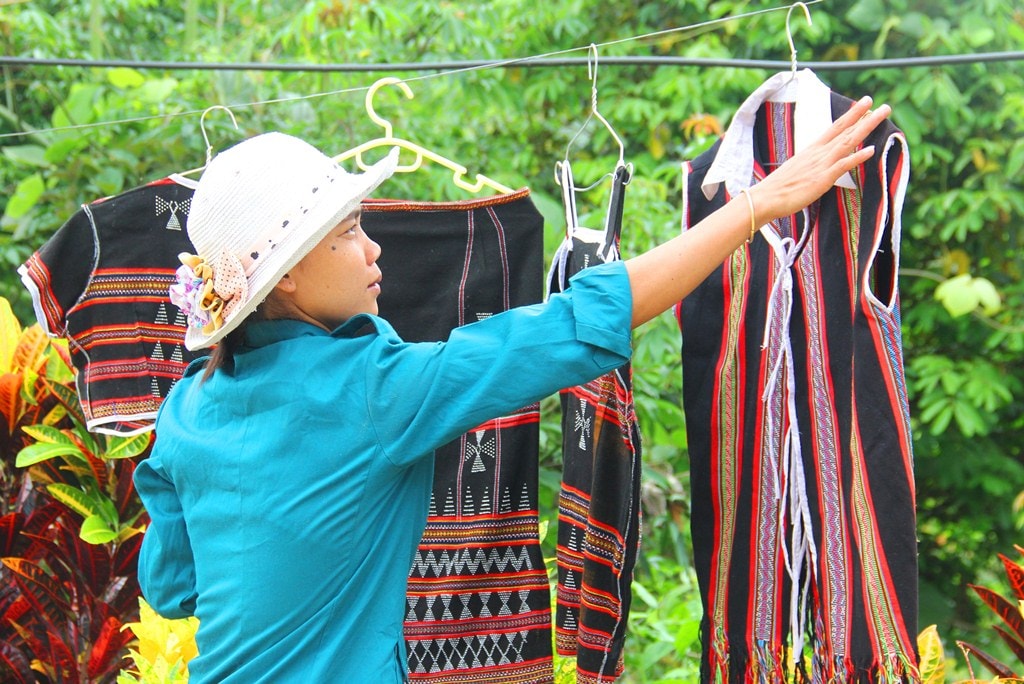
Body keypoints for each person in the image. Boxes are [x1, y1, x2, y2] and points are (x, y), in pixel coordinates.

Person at [134, 96, 891, 682]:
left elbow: (171, 587)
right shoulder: (371, 389)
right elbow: (574, 324)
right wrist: (756, 206)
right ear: (287, 278)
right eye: (346, 232)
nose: (371, 248)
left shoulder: (186, 411)